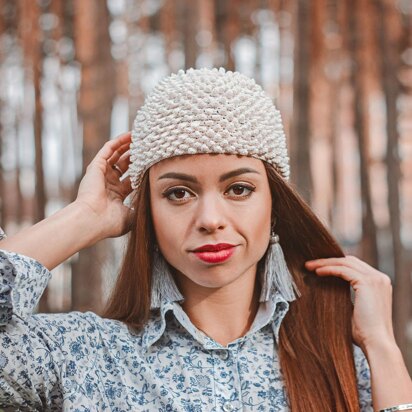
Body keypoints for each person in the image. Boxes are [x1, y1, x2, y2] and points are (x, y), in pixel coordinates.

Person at [0, 67, 411, 411]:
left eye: (239, 189)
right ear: (149, 215)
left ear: (275, 207)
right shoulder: (83, 358)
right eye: (178, 193)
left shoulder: (340, 360)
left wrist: (382, 346)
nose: (211, 220)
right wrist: (84, 217)